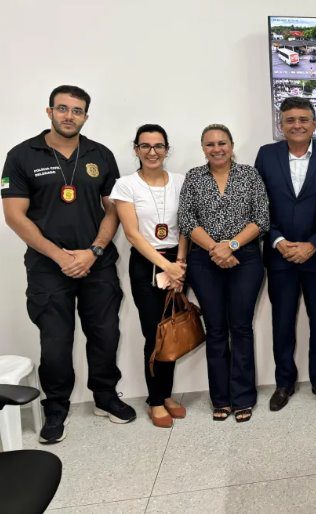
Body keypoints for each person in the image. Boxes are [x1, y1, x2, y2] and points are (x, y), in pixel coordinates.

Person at [1, 85, 135, 444]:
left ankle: (106, 397)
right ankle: (56, 407)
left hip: (98, 264)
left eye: (77, 111)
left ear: (86, 117)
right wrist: (60, 256)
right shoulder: (21, 155)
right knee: (56, 342)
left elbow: (114, 209)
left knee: (106, 335)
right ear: (49, 112)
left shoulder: (100, 155)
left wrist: (93, 250)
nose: (69, 116)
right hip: (48, 268)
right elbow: (14, 216)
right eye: (62, 108)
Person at [178, 124, 269, 422]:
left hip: (246, 259)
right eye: (210, 144)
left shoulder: (250, 175)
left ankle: (243, 397)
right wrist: (215, 250)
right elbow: (186, 220)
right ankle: (221, 398)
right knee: (216, 330)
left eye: (222, 143)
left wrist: (229, 246)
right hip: (204, 262)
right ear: (202, 148)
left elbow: (262, 218)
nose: (216, 149)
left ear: (232, 144)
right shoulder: (194, 177)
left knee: (241, 328)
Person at [255, 97, 316, 412]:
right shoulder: (266, 155)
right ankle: (284, 383)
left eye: (303, 119)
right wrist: (277, 240)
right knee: (282, 322)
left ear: (314, 124)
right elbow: (258, 205)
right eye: (290, 120)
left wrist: (313, 244)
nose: (297, 125)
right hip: (280, 257)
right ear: (281, 125)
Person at [111, 124, 188, 428]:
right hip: (147, 264)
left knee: (171, 330)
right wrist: (166, 267)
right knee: (153, 334)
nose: (152, 152)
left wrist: (179, 262)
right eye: (145, 146)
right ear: (136, 150)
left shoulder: (182, 182)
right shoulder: (126, 185)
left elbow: (186, 225)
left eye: (158, 146)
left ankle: (166, 394)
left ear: (167, 149)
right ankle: (155, 401)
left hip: (178, 260)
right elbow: (132, 234)